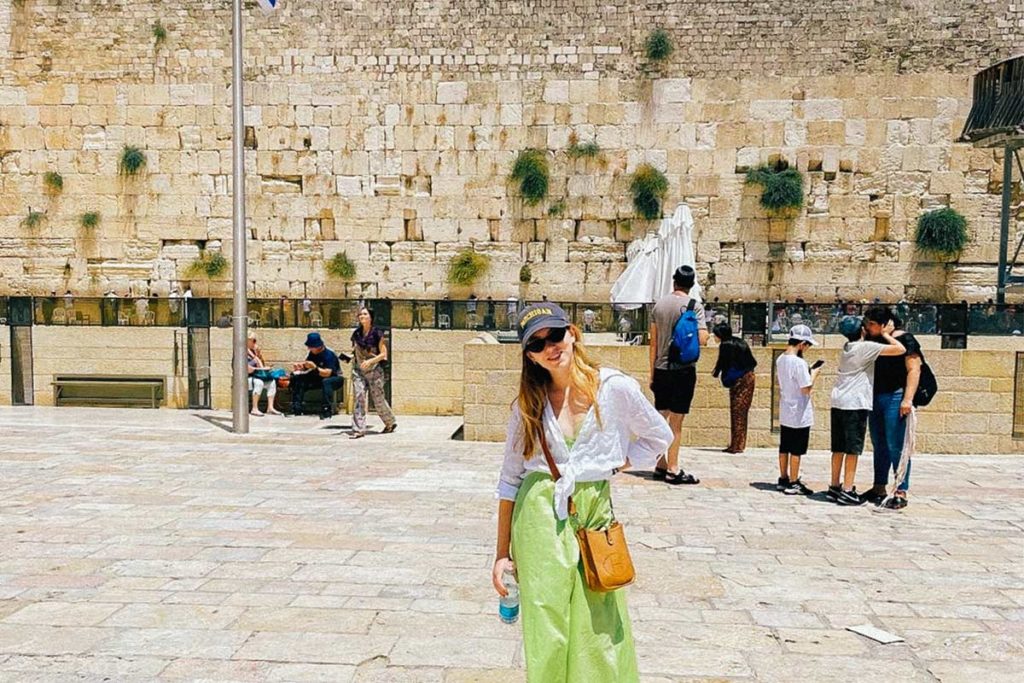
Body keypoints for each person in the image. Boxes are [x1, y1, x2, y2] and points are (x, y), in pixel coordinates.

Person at [492, 302, 672, 682]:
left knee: (600, 626)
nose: (550, 347)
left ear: (572, 333)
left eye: (555, 335)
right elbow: (509, 481)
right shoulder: (528, 405)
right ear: (530, 356)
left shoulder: (614, 388)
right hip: (539, 514)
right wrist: (501, 555)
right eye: (537, 344)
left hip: (594, 511)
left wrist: (617, 462)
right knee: (547, 627)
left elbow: (660, 436)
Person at [827, 316, 904, 505]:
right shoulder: (866, 347)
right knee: (852, 449)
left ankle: (834, 486)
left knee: (838, 447)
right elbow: (900, 349)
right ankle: (847, 490)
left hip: (838, 400)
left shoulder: (847, 347)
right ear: (862, 330)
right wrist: (886, 334)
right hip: (855, 403)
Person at [648, 265, 707, 485]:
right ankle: (673, 468)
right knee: (676, 422)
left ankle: (660, 463)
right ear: (691, 285)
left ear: (674, 281)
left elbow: (653, 342)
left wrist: (652, 372)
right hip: (682, 370)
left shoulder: (659, 306)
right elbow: (702, 339)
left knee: (660, 418)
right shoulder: (694, 306)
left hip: (661, 369)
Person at [861, 307, 922, 509]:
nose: (867, 327)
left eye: (871, 323)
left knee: (896, 445)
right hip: (876, 396)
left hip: (896, 396)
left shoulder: (905, 339)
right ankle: (879, 486)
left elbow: (914, 369)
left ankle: (901, 490)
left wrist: (908, 399)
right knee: (880, 444)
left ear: (885, 323)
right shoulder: (873, 340)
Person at [775, 324, 821, 495]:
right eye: (807, 345)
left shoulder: (781, 359)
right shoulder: (799, 363)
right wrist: (814, 373)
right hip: (799, 412)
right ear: (802, 344)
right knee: (796, 449)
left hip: (786, 409)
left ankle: (783, 478)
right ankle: (793, 482)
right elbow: (806, 388)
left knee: (785, 446)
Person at [350, 307, 397, 438]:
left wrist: (370, 362)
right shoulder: (356, 334)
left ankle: (390, 422)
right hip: (359, 370)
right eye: (360, 314)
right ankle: (358, 429)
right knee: (359, 397)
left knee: (378, 399)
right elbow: (355, 351)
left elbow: (383, 354)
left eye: (365, 314)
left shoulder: (377, 333)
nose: (361, 316)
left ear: (370, 317)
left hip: (374, 371)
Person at [711, 323, 757, 454]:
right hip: (748, 377)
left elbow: (722, 362)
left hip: (740, 380)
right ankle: (738, 443)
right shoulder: (739, 341)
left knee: (737, 412)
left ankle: (736, 445)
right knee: (741, 412)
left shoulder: (726, 344)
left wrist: (716, 373)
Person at [289, 332, 344, 419]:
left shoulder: (329, 355)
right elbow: (308, 366)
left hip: (334, 378)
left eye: (311, 347)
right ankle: (296, 407)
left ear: (318, 346)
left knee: (326, 382)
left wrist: (315, 368)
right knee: (298, 379)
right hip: (318, 377)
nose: (309, 348)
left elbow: (328, 373)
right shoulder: (312, 354)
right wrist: (301, 367)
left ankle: (326, 409)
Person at [247, 332, 282, 416]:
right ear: (247, 341)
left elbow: (261, 363)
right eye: (254, 341)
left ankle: (270, 407)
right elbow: (248, 370)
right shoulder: (241, 353)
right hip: (246, 378)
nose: (255, 343)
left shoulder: (253, 352)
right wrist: (262, 368)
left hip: (256, 376)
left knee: (272, 382)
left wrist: (258, 355)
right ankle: (254, 408)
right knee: (259, 383)